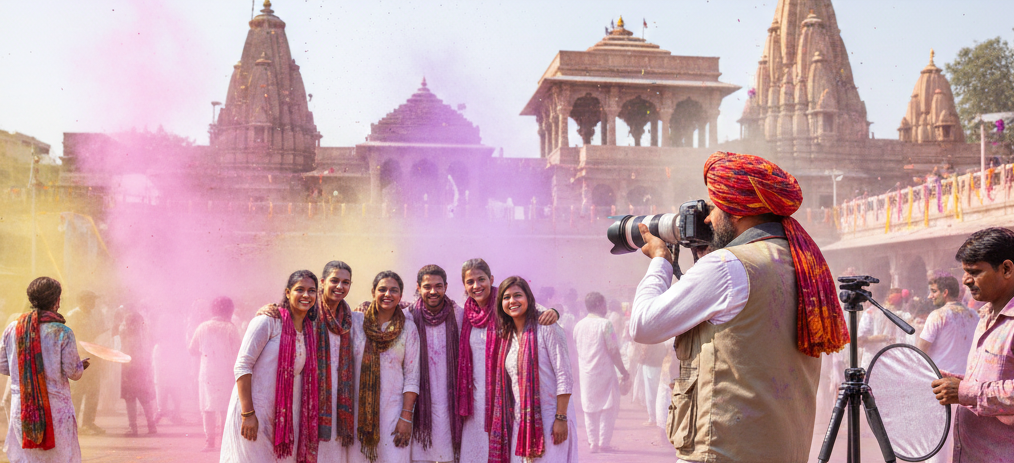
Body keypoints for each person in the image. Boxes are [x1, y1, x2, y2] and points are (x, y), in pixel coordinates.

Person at [630, 151, 848, 462]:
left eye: (715, 207)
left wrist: (661, 262)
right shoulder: (802, 263)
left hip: (722, 451)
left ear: (738, 210)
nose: (708, 218)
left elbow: (642, 325)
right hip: (783, 451)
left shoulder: (728, 266)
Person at [455, 259, 558, 463]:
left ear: (491, 279)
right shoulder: (463, 313)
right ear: (464, 286)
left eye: (481, 279)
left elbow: (536, 310)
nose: (476, 286)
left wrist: (555, 311)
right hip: (474, 406)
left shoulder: (505, 304)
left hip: (504, 401)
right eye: (470, 282)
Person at [931, 227, 1014, 462]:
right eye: (965, 272)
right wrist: (953, 382)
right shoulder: (985, 314)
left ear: (1006, 269)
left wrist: (964, 392)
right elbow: (989, 380)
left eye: (975, 272)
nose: (966, 280)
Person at [221, 270, 322, 463]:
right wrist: (248, 414)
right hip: (253, 412)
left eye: (311, 291)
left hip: (283, 417)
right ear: (287, 292)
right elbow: (242, 366)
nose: (306, 295)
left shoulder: (310, 329)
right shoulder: (268, 321)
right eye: (299, 289)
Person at [487, 276, 577, 463]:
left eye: (517, 295)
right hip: (522, 423)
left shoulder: (546, 327)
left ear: (528, 298)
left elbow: (564, 375)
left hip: (551, 420)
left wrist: (561, 418)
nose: (512, 301)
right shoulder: (507, 337)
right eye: (506, 297)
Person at [0, 277, 89, 462]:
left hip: (23, 410)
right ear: (56, 301)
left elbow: (3, 366)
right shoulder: (62, 332)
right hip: (56, 412)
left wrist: (26, 371)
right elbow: (74, 372)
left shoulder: (12, 329)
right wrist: (81, 365)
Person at [349, 271, 420, 463]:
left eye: (393, 290)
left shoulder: (408, 329)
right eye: (382, 289)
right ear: (373, 292)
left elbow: (412, 377)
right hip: (359, 416)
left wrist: (406, 418)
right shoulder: (356, 321)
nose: (387, 294)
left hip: (394, 414)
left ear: (400, 295)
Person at [916, 275, 978, 463]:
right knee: (963, 441)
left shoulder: (938, 315)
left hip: (940, 387)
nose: (930, 296)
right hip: (965, 387)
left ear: (945, 292)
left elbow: (920, 351)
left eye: (933, 291)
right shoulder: (974, 316)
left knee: (937, 443)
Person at [407, 265, 462, 463]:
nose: (433, 291)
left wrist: (551, 311)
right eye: (427, 286)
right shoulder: (408, 315)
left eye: (438, 286)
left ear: (446, 287)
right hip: (421, 404)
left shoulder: (459, 315)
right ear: (418, 287)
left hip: (451, 402)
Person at [315, 261, 363, 462]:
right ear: (323, 281)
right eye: (334, 281)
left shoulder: (352, 319)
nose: (340, 287)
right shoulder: (309, 313)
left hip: (341, 399)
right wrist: (275, 307)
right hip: (313, 396)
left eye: (346, 282)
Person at [572, 291, 629, 453]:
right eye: (604, 304)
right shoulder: (606, 324)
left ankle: (593, 443)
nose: (606, 308)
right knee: (607, 407)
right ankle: (603, 443)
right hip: (605, 374)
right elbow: (613, 351)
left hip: (586, 375)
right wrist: (623, 371)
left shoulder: (578, 326)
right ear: (598, 305)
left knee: (589, 408)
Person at [189, 296, 241, 451]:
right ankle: (225, 441)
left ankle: (209, 441)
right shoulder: (231, 328)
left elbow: (192, 349)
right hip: (227, 373)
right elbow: (238, 352)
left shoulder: (202, 327)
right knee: (226, 408)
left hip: (207, 373)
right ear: (229, 311)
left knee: (208, 408)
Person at [64, 290, 106, 436]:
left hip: (94, 358)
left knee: (93, 391)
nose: (94, 303)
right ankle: (73, 425)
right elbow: (69, 338)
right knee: (77, 392)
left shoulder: (96, 314)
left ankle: (88, 423)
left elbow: (101, 332)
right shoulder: (72, 315)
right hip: (79, 359)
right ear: (83, 301)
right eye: (91, 300)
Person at [118, 310, 157, 436]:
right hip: (142, 371)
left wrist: (126, 371)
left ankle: (133, 427)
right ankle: (151, 425)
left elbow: (127, 356)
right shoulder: (142, 337)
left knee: (130, 400)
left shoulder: (130, 339)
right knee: (144, 399)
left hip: (130, 371)